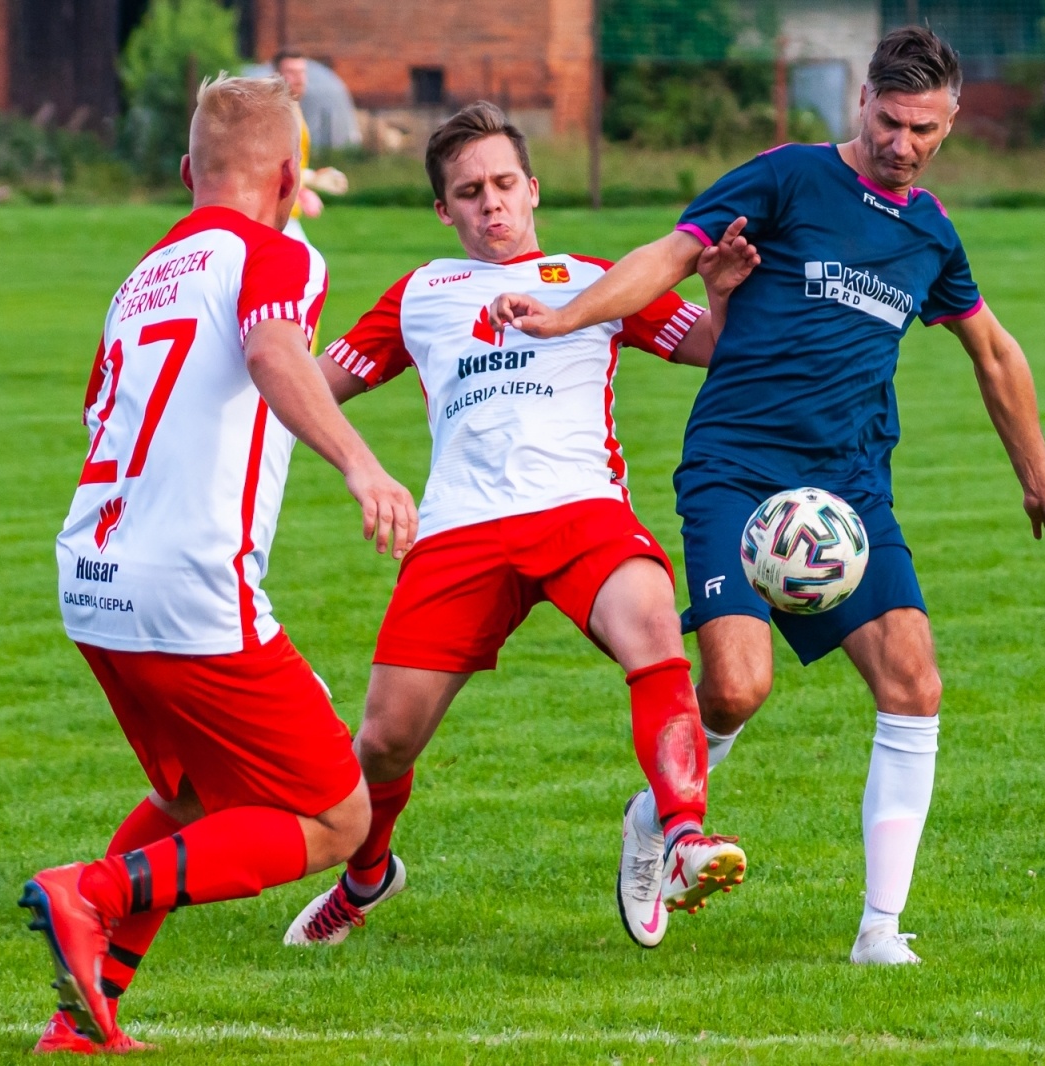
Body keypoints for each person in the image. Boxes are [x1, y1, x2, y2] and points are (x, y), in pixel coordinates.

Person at [488, 27, 1045, 966]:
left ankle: (881, 931)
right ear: (862, 103)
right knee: (735, 686)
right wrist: (566, 316)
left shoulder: (932, 236)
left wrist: (1041, 486)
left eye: (924, 129)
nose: (903, 144)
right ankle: (656, 821)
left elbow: (995, 354)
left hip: (847, 495)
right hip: (737, 470)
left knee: (914, 685)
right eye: (889, 121)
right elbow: (668, 256)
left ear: (950, 122)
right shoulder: (787, 176)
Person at [280, 102, 759, 951]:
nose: (490, 203)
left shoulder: (595, 278)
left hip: (582, 512)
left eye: (504, 183)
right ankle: (367, 876)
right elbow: (315, 387)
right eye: (469, 192)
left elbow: (718, 351)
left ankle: (680, 832)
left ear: (533, 189)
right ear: (444, 210)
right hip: (461, 530)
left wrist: (719, 293)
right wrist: (264, 354)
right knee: (383, 743)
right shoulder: (421, 294)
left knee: (653, 623)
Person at [21, 74, 416, 1053]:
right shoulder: (277, 251)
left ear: (188, 169)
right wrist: (362, 462)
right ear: (290, 174)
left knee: (192, 796)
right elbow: (277, 351)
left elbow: (99, 415)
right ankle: (92, 890)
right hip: (188, 588)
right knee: (334, 816)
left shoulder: (142, 275)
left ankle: (85, 1020)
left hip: (91, 575)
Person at [274, 49, 350, 246]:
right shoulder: (276, 114)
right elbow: (271, 165)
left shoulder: (293, 109)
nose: (298, 78)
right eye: (291, 72)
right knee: (309, 268)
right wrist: (308, 182)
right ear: (275, 76)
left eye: (302, 72)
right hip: (273, 214)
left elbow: (288, 163)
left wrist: (309, 180)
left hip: (285, 213)